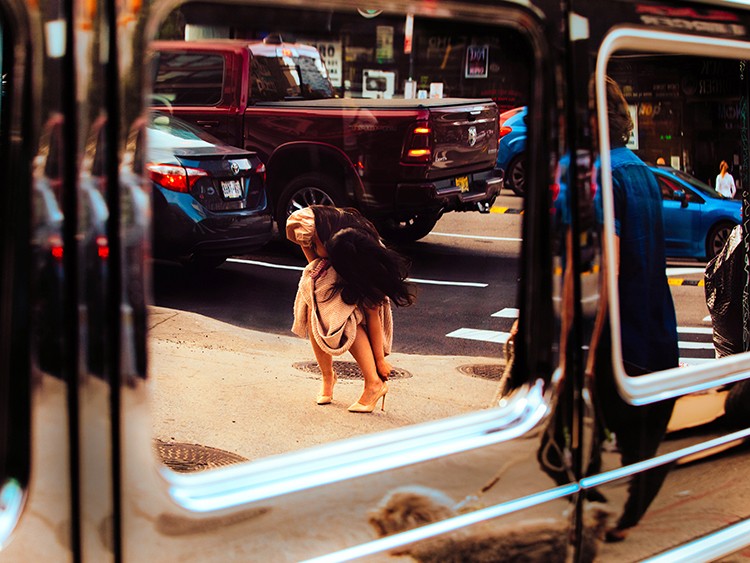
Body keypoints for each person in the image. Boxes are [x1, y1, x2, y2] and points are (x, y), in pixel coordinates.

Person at [588, 76, 680, 542]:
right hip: (658, 323)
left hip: (622, 332)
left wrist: (589, 344)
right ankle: (627, 514)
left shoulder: (603, 174)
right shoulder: (642, 171)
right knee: (637, 437)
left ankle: (614, 518)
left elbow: (612, 265)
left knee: (602, 434)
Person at [286, 205, 416, 413]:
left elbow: (373, 315)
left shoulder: (365, 262)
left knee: (348, 318)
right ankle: (328, 377)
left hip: (359, 272)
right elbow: (312, 258)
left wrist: (380, 361)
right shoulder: (314, 226)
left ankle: (374, 384)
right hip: (339, 268)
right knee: (315, 309)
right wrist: (318, 275)